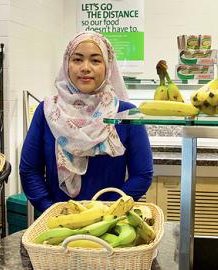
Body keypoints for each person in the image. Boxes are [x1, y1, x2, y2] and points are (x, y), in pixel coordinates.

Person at [19, 31, 153, 213]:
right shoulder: (47, 111)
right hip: (57, 224)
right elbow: (29, 170)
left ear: (108, 67)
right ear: (67, 64)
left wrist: (108, 212)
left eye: (96, 60)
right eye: (77, 59)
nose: (85, 68)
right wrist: (50, 210)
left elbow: (142, 175)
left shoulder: (125, 113)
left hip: (110, 224)